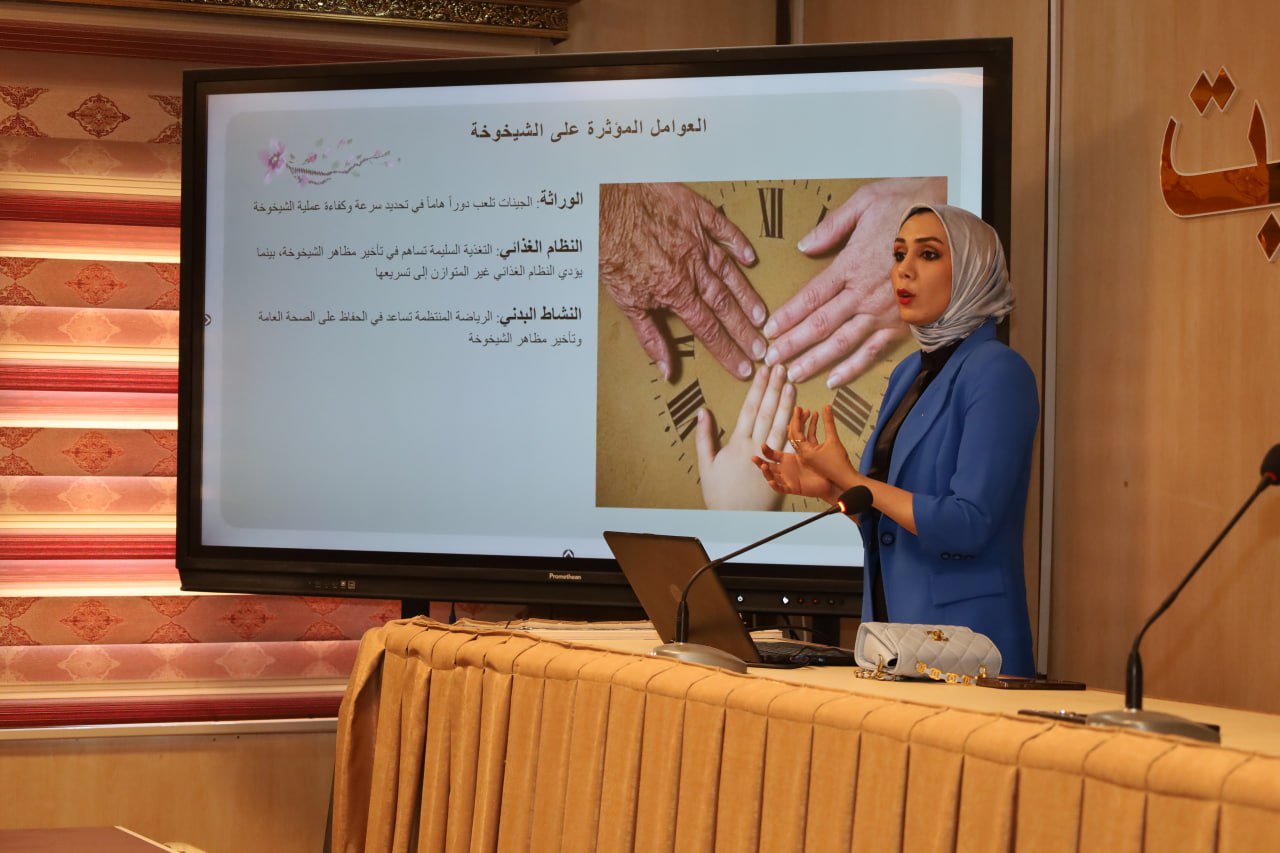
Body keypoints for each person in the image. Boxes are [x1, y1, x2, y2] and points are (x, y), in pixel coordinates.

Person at [753, 203, 1039, 677]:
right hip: (892, 641)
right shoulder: (908, 372)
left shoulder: (999, 372)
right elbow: (892, 527)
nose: (904, 269)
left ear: (973, 270)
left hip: (969, 650)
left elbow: (969, 523)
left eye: (928, 254)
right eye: (899, 253)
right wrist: (829, 486)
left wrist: (853, 480)